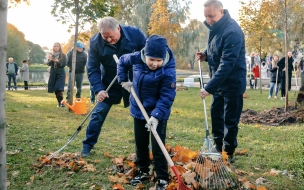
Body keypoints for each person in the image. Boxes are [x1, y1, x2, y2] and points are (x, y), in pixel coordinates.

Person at [117, 35, 176, 190]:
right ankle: (143, 171)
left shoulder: (168, 70)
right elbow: (122, 62)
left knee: (158, 145)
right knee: (141, 143)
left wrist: (156, 116)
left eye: (158, 60)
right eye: (152, 59)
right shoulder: (136, 58)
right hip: (138, 108)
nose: (155, 64)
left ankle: (162, 177)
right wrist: (123, 80)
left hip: (158, 112)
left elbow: (167, 96)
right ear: (145, 55)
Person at [82, 16, 146, 157]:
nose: (109, 40)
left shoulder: (135, 34)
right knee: (98, 113)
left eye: (111, 37)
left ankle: (144, 150)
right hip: (109, 83)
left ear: (118, 28)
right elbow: (92, 68)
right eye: (105, 38)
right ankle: (87, 145)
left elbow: (147, 56)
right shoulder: (95, 42)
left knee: (142, 114)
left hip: (133, 80)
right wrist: (98, 89)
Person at [196, 0, 246, 164]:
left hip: (232, 82)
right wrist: (205, 55)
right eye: (206, 16)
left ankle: (228, 153)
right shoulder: (216, 28)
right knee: (216, 115)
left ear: (221, 12)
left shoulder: (233, 31)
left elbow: (227, 63)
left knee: (230, 120)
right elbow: (215, 49)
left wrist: (209, 87)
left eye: (211, 16)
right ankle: (218, 148)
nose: (208, 20)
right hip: (218, 82)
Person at [47, 42, 67, 107]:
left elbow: (64, 64)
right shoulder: (51, 55)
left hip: (60, 73)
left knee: (59, 87)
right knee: (55, 88)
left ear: (59, 47)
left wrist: (57, 61)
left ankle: (61, 102)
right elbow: (48, 64)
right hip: (53, 73)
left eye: (57, 46)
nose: (56, 47)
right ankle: (59, 102)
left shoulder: (63, 55)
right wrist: (50, 60)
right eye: (55, 46)